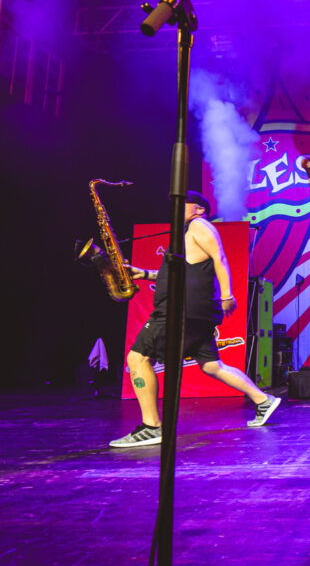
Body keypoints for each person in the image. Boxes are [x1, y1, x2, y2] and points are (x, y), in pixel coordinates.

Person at [109, 190, 281, 448]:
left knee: (138, 358)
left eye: (184, 203)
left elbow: (220, 258)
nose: (177, 208)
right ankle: (263, 400)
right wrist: (143, 273)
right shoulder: (187, 234)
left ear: (199, 209)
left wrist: (227, 295)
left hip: (182, 309)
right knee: (212, 366)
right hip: (194, 311)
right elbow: (178, 272)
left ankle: (151, 427)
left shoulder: (200, 225)